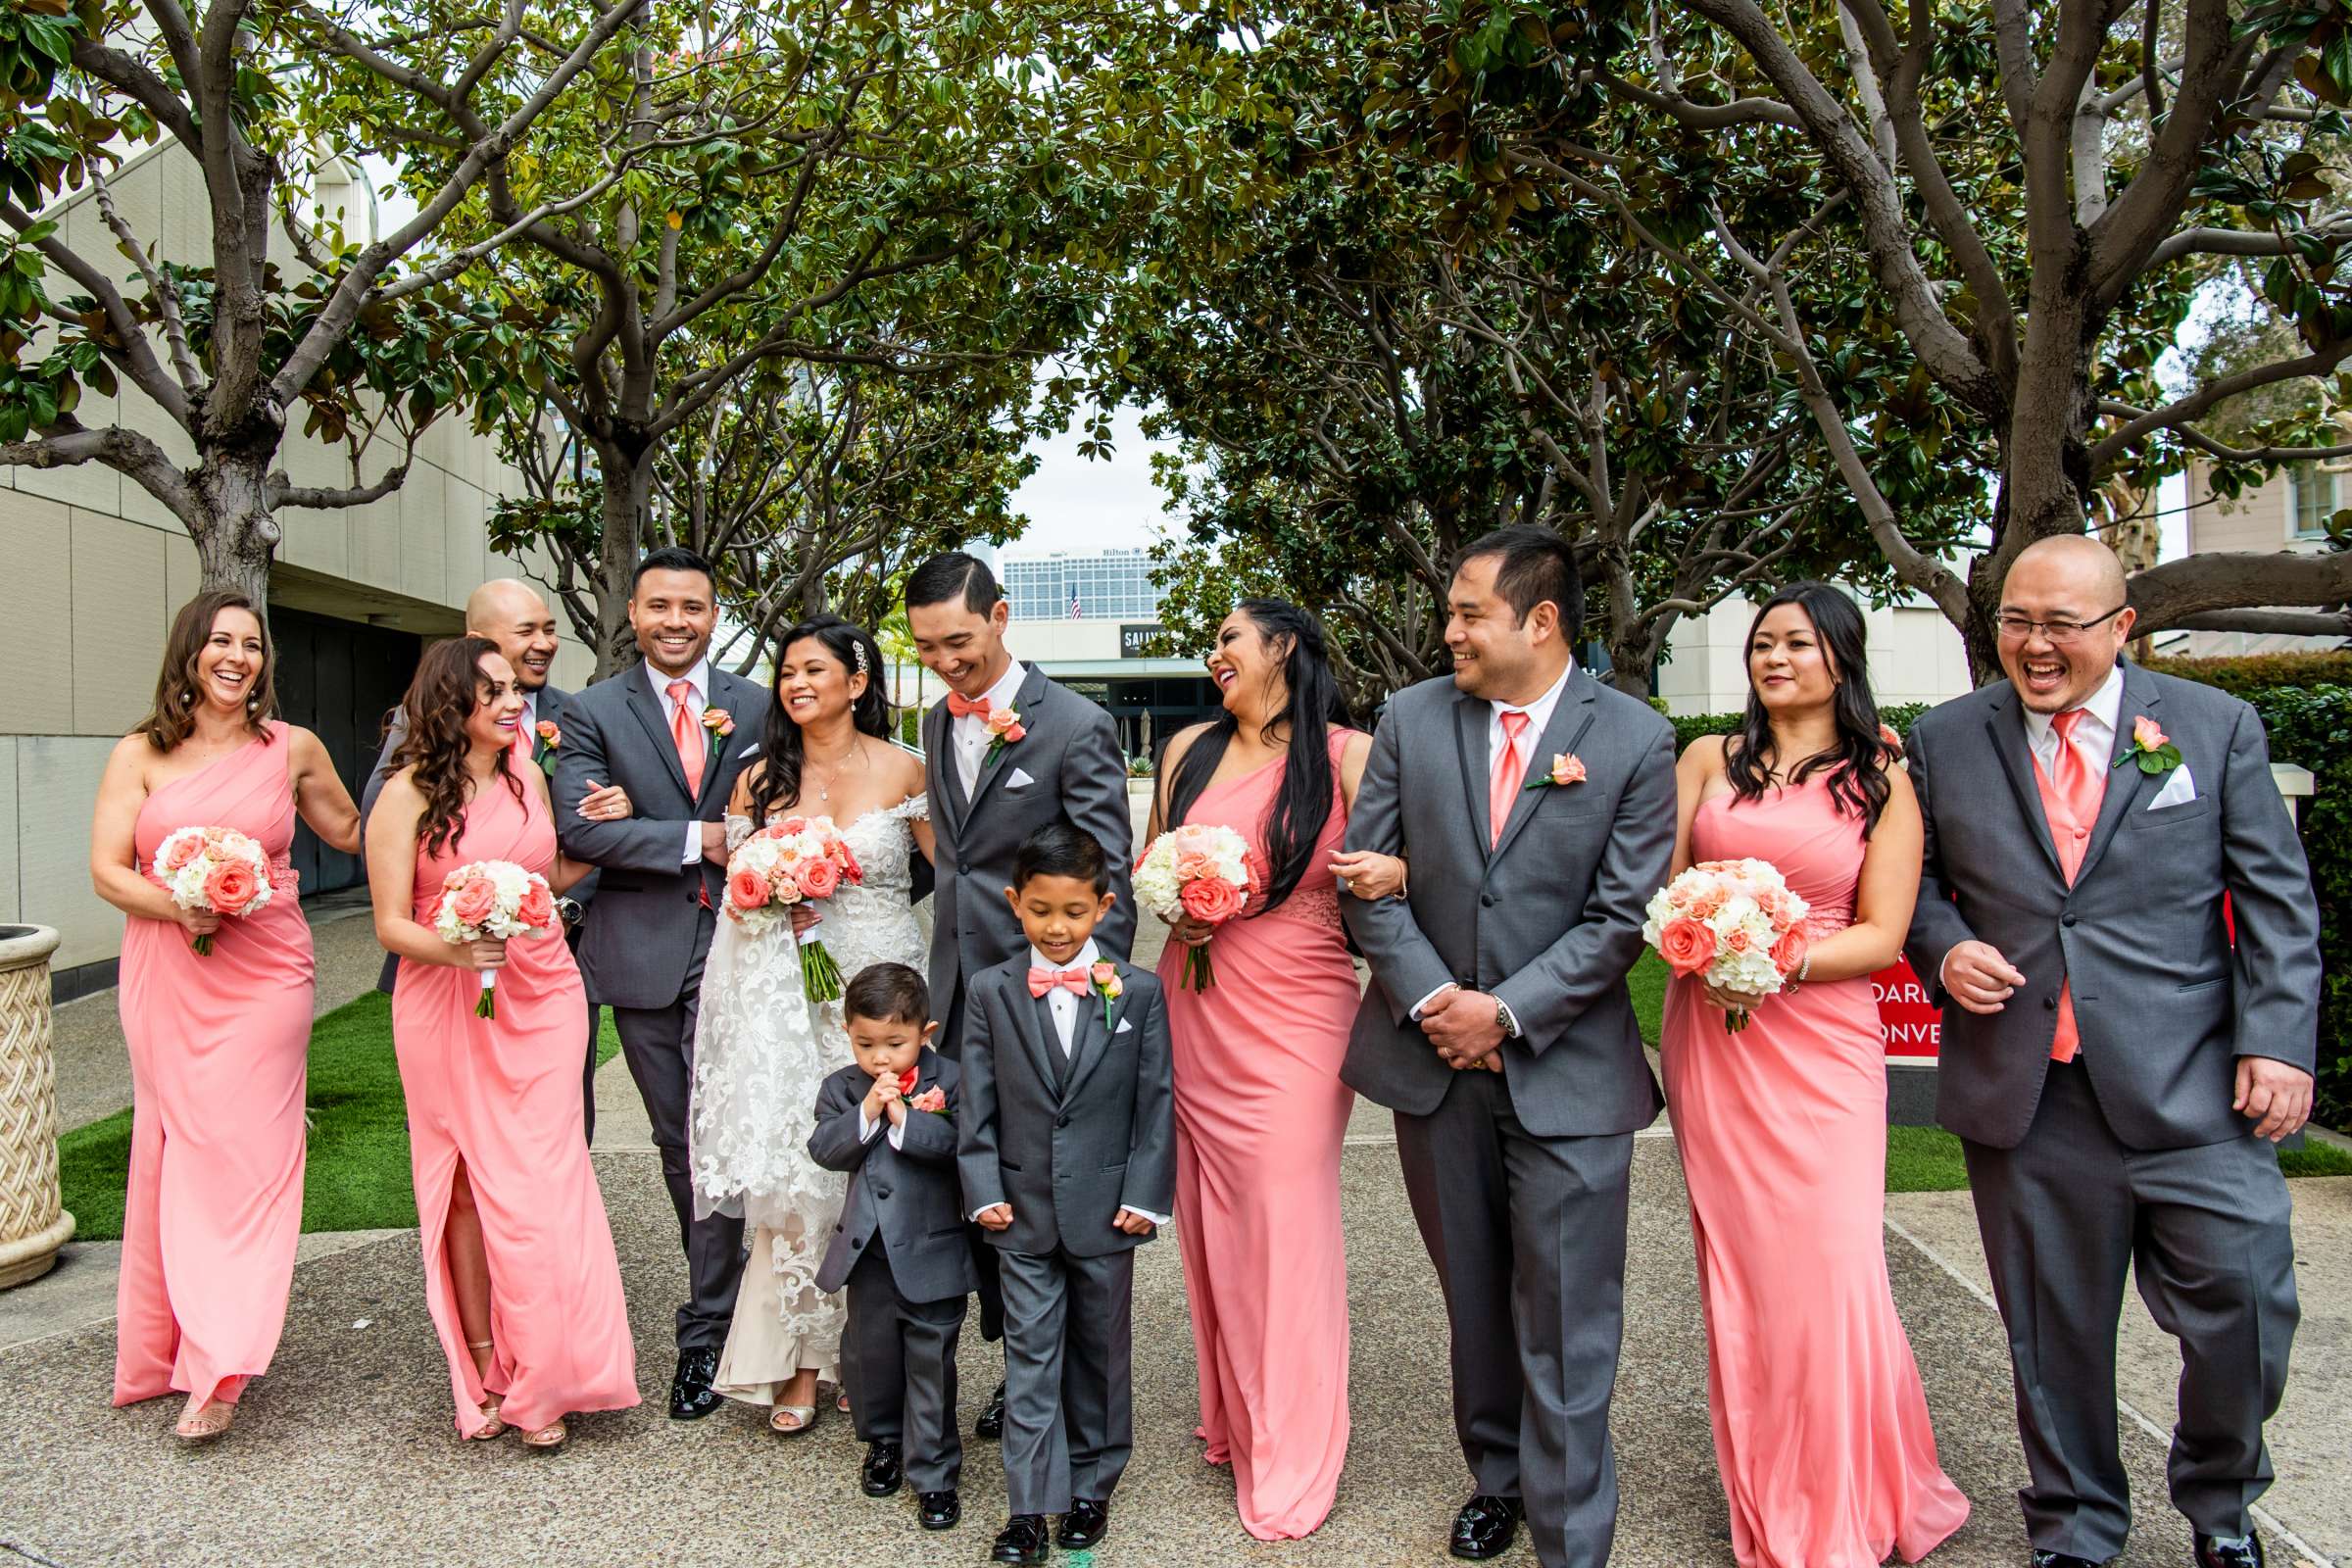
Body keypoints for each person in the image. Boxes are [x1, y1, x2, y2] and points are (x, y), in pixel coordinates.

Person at [1903, 536, 2316, 1568]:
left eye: (2062, 625)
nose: (2035, 646)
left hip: (2196, 1087)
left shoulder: (2213, 727)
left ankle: (2219, 1504)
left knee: (2250, 1301)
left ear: (2123, 626)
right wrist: (1948, 953)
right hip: (2032, 1091)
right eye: (2016, 622)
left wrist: (2278, 1041)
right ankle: (2078, 1525)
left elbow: (2277, 901)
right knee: (2053, 1334)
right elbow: (1911, 887)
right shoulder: (1945, 739)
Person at [1341, 525, 1674, 1568]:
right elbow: (1370, 875)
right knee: (1475, 1292)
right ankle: (1499, 1475)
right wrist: (1441, 999)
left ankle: (1574, 1535)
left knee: (1569, 1311)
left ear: (1541, 620)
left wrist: (1509, 1012)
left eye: (1467, 612)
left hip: (1565, 1070)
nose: (1449, 632)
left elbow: (1622, 917)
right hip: (1432, 1065)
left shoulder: (1632, 738)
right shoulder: (1409, 718)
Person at [1660, 583, 1969, 1568]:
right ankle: (1769, 1484)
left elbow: (1882, 933)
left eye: (1796, 641)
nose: (1774, 657)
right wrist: (1702, 938)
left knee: (1831, 1272)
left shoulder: (1881, 772)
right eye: (1761, 643)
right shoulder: (1707, 759)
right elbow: (1662, 889)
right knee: (1745, 1276)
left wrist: (1768, 956)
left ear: (1842, 653)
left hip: (1821, 1045)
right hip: (1713, 1040)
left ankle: (1848, 1497)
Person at [89, 589, 361, 1442]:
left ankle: (222, 1361)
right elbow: (106, 869)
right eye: (220, 641)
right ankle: (177, 1341)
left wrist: (433, 764)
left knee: (245, 1155)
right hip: (167, 969)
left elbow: (356, 831)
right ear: (190, 654)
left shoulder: (294, 749)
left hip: (267, 972)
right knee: (179, 1152)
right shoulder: (139, 753)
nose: (237, 656)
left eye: (251, 643)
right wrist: (179, 904)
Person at [366, 637, 639, 1448]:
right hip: (446, 999)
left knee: (545, 1180)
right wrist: (460, 947)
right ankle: (487, 1367)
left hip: (545, 993)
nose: (513, 702)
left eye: (513, 689)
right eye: (491, 692)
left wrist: (594, 828)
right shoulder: (404, 793)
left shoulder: (526, 774)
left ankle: (550, 1369)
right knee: (464, 1188)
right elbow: (389, 923)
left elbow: (544, 873)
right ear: (451, 703)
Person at [1146, 600, 1374, 1541]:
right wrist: (1178, 898)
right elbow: (1146, 862)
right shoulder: (1187, 748)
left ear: (1283, 646)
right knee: (1210, 1222)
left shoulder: (1349, 755)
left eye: (1230, 638)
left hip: (1300, 1011)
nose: (1215, 654)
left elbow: (1388, 870)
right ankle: (1239, 1419)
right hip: (1194, 1000)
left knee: (1286, 1222)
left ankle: (1295, 1447)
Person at [906, 550, 1134, 1440]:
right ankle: (1017, 1359)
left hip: (1045, 997)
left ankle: (1059, 1385)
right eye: (927, 648)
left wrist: (1081, 1006)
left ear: (1001, 617)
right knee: (980, 1183)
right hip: (958, 997)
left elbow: (1106, 879)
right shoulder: (933, 722)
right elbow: (955, 864)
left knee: (1045, 1192)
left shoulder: (1075, 725)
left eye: (958, 641)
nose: (946, 662)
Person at [689, 614, 933, 1432]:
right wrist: (776, 893)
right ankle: (794, 1360)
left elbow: (952, 874)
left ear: (857, 683)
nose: (796, 684)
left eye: (815, 670)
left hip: (887, 988)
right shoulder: (758, 780)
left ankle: (873, 1353)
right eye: (787, 671)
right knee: (803, 1167)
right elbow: (735, 898)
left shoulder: (906, 771)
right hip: (790, 998)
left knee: (880, 1161)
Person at [552, 546, 767, 1420]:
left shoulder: (759, 705)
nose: (676, 621)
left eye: (693, 607)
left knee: (753, 1136)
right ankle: (715, 1322)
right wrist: (698, 837)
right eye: (659, 607)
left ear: (715, 616)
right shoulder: (590, 709)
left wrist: (654, 822)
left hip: (751, 951)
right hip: (643, 955)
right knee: (685, 1143)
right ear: (633, 616)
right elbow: (579, 830)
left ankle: (736, 1322)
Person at [957, 824, 1174, 1566]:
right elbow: (976, 1101)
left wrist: (1146, 1195)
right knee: (1030, 1356)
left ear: (1104, 908)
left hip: (1107, 1210)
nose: (1057, 928)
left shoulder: (1137, 992)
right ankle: (1029, 1507)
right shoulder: (990, 991)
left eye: (1075, 913)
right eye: (1041, 910)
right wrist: (981, 1185)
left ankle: (1092, 1485)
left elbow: (1156, 1100)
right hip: (1019, 1211)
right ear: (1015, 905)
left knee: (1101, 1353)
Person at [359, 578, 617, 1142]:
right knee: (461, 1132)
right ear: (478, 642)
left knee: (561, 1129)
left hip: (553, 962)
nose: (546, 642)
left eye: (550, 628)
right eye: (526, 630)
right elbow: (383, 842)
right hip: (448, 963)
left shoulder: (573, 718)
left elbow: (566, 849)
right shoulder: (415, 730)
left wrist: (602, 848)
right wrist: (464, 923)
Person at [809, 962, 975, 1533]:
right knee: (870, 1356)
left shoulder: (950, 1079)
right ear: (848, 1034)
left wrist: (904, 1116)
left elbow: (959, 1144)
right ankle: (882, 1442)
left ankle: (934, 1474)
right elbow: (826, 1150)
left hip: (933, 1252)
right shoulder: (841, 1088)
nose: (880, 1058)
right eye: (865, 1044)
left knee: (931, 1364)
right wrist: (868, 1112)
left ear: (924, 1034)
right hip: (869, 1254)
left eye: (895, 1044)